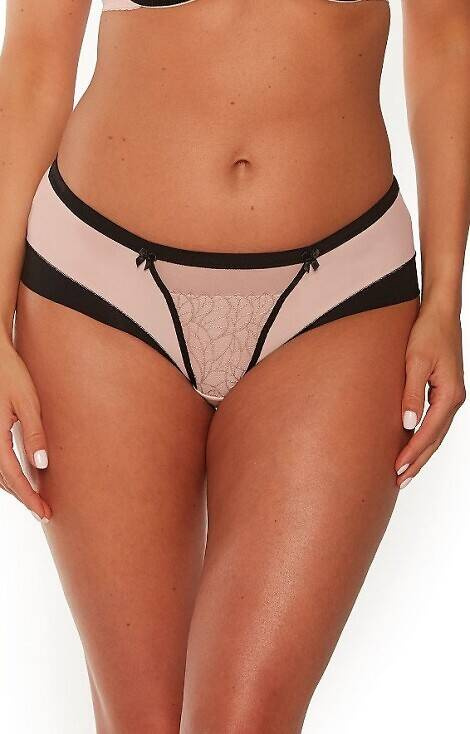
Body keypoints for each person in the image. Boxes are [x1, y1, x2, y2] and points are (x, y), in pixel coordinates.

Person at [0, 1, 468, 731]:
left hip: (340, 294)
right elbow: (34, 58)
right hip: (100, 288)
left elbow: (445, 40)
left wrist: (445, 298)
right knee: (141, 723)